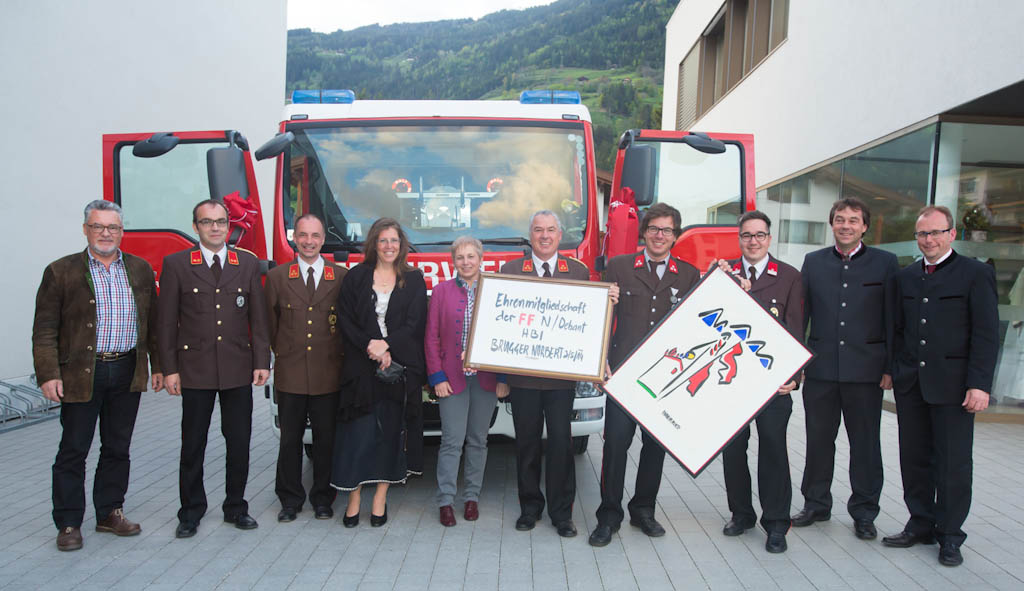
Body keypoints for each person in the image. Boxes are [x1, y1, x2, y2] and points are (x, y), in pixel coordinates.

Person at [32, 200, 162, 552]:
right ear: (85, 229)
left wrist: (159, 367)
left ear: (122, 231)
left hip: (126, 370)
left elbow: (152, 325)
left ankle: (109, 512)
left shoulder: (140, 269)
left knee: (118, 448)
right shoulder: (61, 271)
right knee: (74, 449)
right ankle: (69, 522)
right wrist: (48, 374)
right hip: (80, 374)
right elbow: (44, 329)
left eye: (113, 227)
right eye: (98, 226)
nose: (106, 233)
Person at [882, 205, 998, 567]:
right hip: (912, 385)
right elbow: (897, 329)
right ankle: (920, 523)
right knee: (914, 459)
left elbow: (986, 333)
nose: (929, 240)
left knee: (952, 464)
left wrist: (979, 384)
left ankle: (949, 535)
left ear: (951, 234)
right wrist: (894, 371)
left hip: (954, 387)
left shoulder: (975, 273)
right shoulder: (905, 277)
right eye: (922, 234)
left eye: (935, 232)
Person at [158, 198, 270, 539]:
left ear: (228, 226)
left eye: (221, 221)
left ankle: (236, 506)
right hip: (195, 369)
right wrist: (169, 368)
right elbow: (166, 322)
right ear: (196, 227)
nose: (215, 227)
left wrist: (261, 361)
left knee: (239, 442)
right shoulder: (177, 264)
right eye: (207, 222)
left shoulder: (245, 263)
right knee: (193, 444)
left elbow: (258, 318)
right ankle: (190, 511)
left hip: (237, 367)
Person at [589, 203, 698, 547]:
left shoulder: (689, 274)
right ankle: (609, 516)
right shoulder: (619, 267)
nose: (659, 235)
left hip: (665, 380)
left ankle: (643, 510)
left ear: (675, 236)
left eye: (667, 230)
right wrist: (600, 360)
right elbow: (601, 317)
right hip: (623, 375)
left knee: (655, 448)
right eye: (654, 229)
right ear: (644, 233)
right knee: (615, 445)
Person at [793, 198, 899, 540]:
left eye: (854, 220)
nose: (846, 225)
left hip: (866, 371)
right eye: (840, 219)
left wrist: (889, 367)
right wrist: (797, 362)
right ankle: (816, 504)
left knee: (865, 445)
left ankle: (865, 513)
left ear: (864, 226)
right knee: (818, 442)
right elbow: (801, 315)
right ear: (832, 224)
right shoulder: (813, 262)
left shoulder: (885, 263)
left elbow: (893, 318)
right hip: (821, 369)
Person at [499, 210, 592, 538]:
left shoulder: (578, 272)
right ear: (531, 235)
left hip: (560, 379)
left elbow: (588, 321)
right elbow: (502, 324)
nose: (545, 236)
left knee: (561, 444)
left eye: (551, 230)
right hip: (523, 378)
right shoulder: (510, 271)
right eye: (538, 230)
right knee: (526, 444)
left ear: (559, 234)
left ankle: (562, 513)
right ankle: (530, 508)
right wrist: (501, 377)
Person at [332, 218, 426, 527]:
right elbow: (345, 319)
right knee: (357, 436)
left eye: (394, 240)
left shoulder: (414, 279)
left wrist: (386, 345)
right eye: (383, 240)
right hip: (360, 368)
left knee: (390, 435)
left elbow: (415, 323)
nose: (389, 246)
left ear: (402, 245)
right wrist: (370, 346)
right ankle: (354, 496)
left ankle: (380, 498)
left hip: (398, 369)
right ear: (374, 243)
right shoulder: (356, 276)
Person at [719, 210, 802, 554]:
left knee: (773, 450)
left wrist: (794, 376)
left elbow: (796, 328)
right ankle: (741, 514)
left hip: (773, 383)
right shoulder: (724, 274)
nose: (753, 241)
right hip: (733, 380)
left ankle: (777, 523)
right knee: (733, 451)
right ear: (739, 239)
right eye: (747, 235)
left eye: (759, 235)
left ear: (769, 238)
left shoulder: (789, 276)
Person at [265, 214, 347, 522]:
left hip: (329, 373)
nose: (309, 241)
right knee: (290, 441)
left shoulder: (340, 276)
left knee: (326, 440)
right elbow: (270, 324)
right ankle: (290, 500)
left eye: (315, 236)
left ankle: (323, 498)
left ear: (323, 240)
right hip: (292, 372)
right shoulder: (277, 277)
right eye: (303, 235)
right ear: (294, 238)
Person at [425, 235, 509, 526]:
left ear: (481, 259)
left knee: (478, 441)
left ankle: (472, 497)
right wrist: (437, 377)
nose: (466, 262)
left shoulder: (497, 290)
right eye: (460, 257)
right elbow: (431, 338)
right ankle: (446, 501)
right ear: (453, 261)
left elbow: (505, 336)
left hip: (486, 380)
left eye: (471, 256)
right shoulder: (441, 292)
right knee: (451, 441)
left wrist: (503, 378)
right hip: (451, 379)